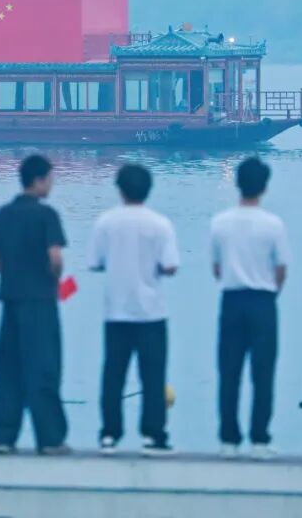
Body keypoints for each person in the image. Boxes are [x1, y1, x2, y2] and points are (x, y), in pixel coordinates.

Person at [88, 164, 180, 457]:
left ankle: (109, 435)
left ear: (119, 189)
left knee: (113, 374)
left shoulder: (105, 222)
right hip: (151, 312)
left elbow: (95, 262)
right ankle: (153, 436)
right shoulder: (161, 224)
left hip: (116, 310)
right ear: (149, 189)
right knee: (152, 376)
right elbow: (170, 266)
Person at [0, 154, 69, 454]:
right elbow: (55, 257)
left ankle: (3, 437)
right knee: (44, 368)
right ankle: (49, 439)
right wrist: (52, 277)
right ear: (38, 180)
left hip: (10, 298)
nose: (52, 185)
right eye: (50, 179)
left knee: (9, 369)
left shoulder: (4, 213)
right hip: (40, 301)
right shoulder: (47, 215)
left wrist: (13, 275)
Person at [210, 157, 290, 459]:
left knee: (229, 372)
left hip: (231, 300)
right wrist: (271, 293)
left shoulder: (220, 222)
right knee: (263, 372)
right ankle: (259, 439)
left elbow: (217, 268)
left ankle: (228, 440)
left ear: (237, 183)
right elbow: (281, 269)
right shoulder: (273, 225)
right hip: (263, 302)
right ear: (265, 187)